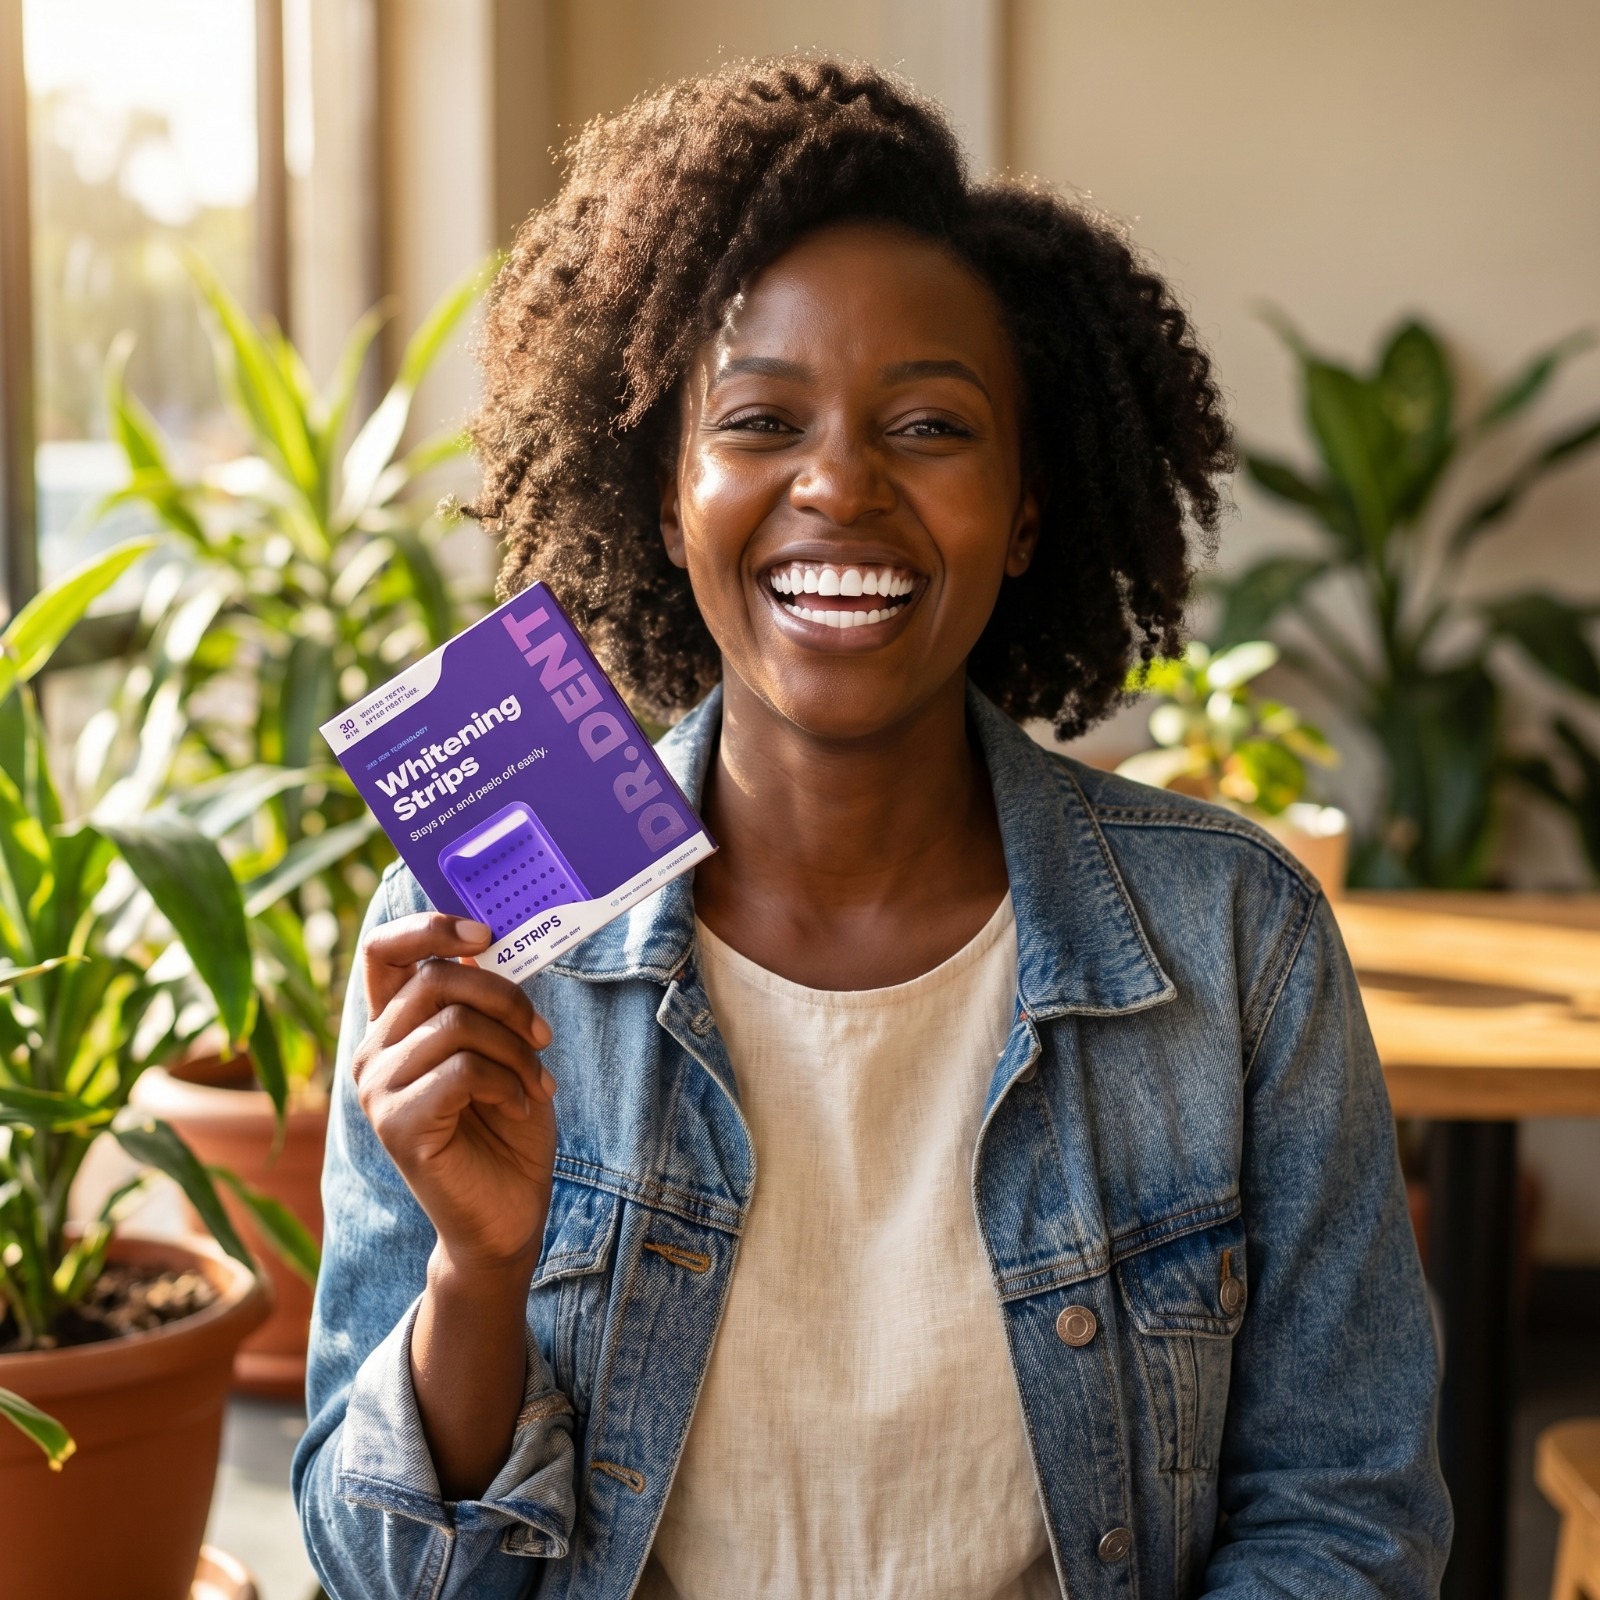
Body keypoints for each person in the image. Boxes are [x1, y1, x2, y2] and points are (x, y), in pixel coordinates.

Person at [292, 57, 1451, 1600]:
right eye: (761, 419)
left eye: (928, 426)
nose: (839, 483)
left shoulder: (1237, 946)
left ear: (1026, 508)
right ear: (668, 496)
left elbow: (1349, 1519)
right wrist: (480, 1271)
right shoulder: (477, 939)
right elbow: (381, 1576)